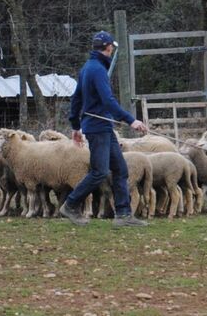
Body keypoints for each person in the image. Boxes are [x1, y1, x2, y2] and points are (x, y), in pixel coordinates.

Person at [59, 30, 149, 227]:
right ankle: (71, 205)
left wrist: (75, 125)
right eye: (112, 47)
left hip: (101, 126)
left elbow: (76, 99)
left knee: (120, 169)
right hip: (98, 128)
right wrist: (130, 120)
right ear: (108, 48)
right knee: (99, 172)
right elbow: (108, 101)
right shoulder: (98, 70)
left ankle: (123, 215)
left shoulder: (88, 68)